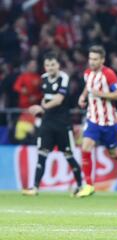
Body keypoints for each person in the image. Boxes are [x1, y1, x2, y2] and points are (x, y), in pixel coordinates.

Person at [22, 52, 83, 196]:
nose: (50, 68)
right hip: (47, 123)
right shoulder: (43, 79)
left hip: (62, 123)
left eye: (53, 65)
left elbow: (59, 99)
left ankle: (81, 186)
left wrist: (42, 107)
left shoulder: (64, 77)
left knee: (68, 155)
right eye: (47, 65)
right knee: (42, 154)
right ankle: (35, 188)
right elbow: (47, 98)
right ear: (44, 66)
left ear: (58, 65)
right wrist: (43, 106)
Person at [76, 45, 117, 198]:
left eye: (95, 59)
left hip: (109, 121)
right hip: (93, 119)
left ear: (102, 60)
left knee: (113, 152)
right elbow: (88, 86)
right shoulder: (87, 73)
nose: (92, 62)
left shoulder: (108, 74)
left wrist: (101, 94)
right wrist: (83, 96)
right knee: (86, 147)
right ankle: (89, 185)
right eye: (90, 59)